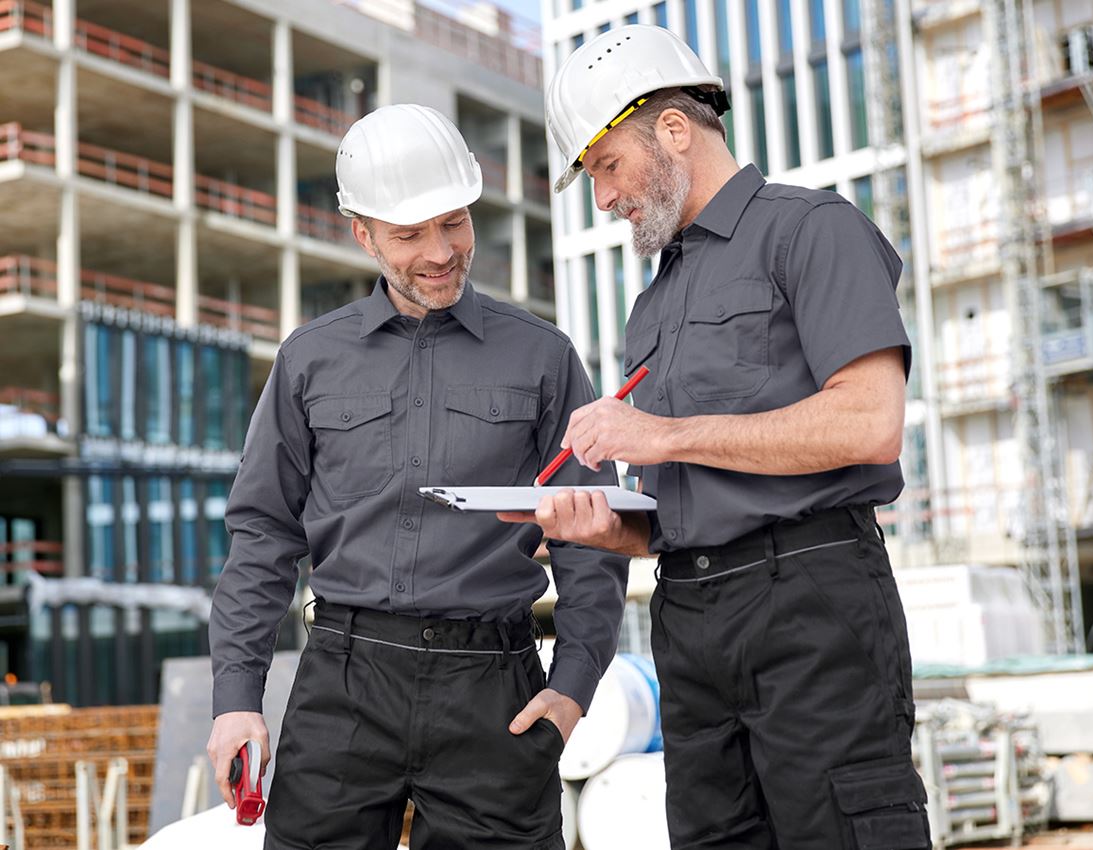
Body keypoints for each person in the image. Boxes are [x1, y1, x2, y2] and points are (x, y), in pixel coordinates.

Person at [500, 24, 932, 850]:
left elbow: (870, 423)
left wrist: (661, 434)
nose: (603, 199)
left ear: (671, 130)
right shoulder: (652, 307)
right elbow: (678, 507)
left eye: (606, 166)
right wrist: (600, 526)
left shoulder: (811, 231)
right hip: (688, 620)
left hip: (811, 607)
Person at [207, 103, 628, 850]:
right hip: (343, 681)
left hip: (492, 687)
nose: (440, 252)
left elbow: (593, 535)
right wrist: (236, 699)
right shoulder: (309, 360)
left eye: (454, 223)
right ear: (362, 232)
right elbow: (263, 534)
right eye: (409, 234)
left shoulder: (543, 356)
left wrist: (573, 687)